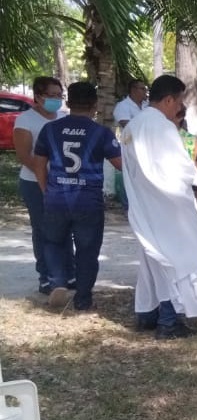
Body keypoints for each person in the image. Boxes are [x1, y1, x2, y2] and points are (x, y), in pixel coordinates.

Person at [122, 75, 197, 339]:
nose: (179, 107)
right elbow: (178, 168)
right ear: (169, 99)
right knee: (176, 264)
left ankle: (148, 315)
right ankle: (169, 322)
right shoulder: (161, 127)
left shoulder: (134, 125)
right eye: (179, 100)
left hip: (144, 205)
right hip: (168, 209)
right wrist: (194, 181)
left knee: (153, 264)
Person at [31, 81, 122, 311]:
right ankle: (82, 297)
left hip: (56, 197)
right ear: (95, 105)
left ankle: (58, 282)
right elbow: (120, 164)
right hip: (87, 201)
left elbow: (39, 164)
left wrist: (45, 190)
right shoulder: (101, 133)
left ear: (68, 103)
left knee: (52, 242)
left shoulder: (50, 129)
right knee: (87, 250)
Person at [14, 76, 68, 294]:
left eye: (59, 95)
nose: (56, 100)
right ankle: (45, 276)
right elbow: (24, 155)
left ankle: (66, 274)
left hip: (63, 183)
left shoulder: (63, 118)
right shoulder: (26, 120)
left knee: (64, 229)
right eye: (51, 95)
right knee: (43, 229)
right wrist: (42, 177)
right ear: (38, 97)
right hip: (34, 183)